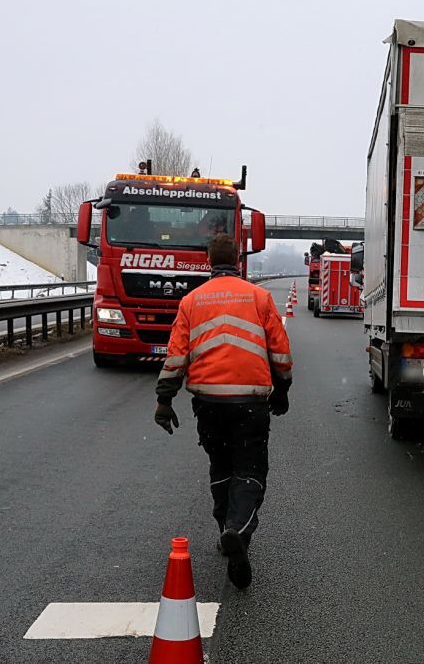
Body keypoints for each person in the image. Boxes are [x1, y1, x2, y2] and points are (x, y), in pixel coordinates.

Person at [153, 234, 292, 590]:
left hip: (209, 403)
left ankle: (224, 530)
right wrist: (282, 390)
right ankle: (237, 531)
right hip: (250, 401)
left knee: (221, 466)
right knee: (249, 469)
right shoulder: (259, 297)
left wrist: (164, 400)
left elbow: (176, 355)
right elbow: (280, 350)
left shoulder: (191, 301)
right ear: (239, 259)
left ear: (208, 260)